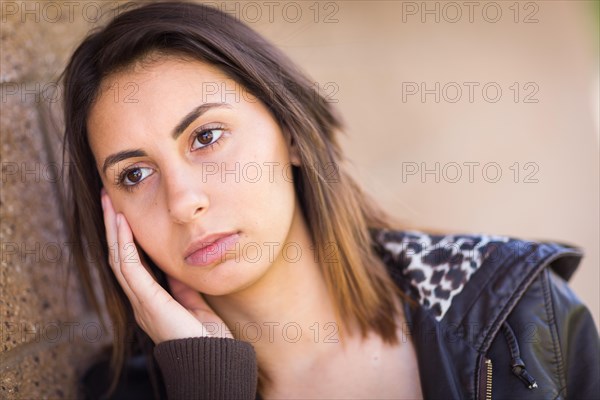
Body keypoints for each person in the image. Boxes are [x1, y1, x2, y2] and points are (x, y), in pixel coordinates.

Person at [60, 2, 599, 399]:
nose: (183, 202)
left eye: (205, 137)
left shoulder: (519, 316)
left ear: (291, 134)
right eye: (135, 173)